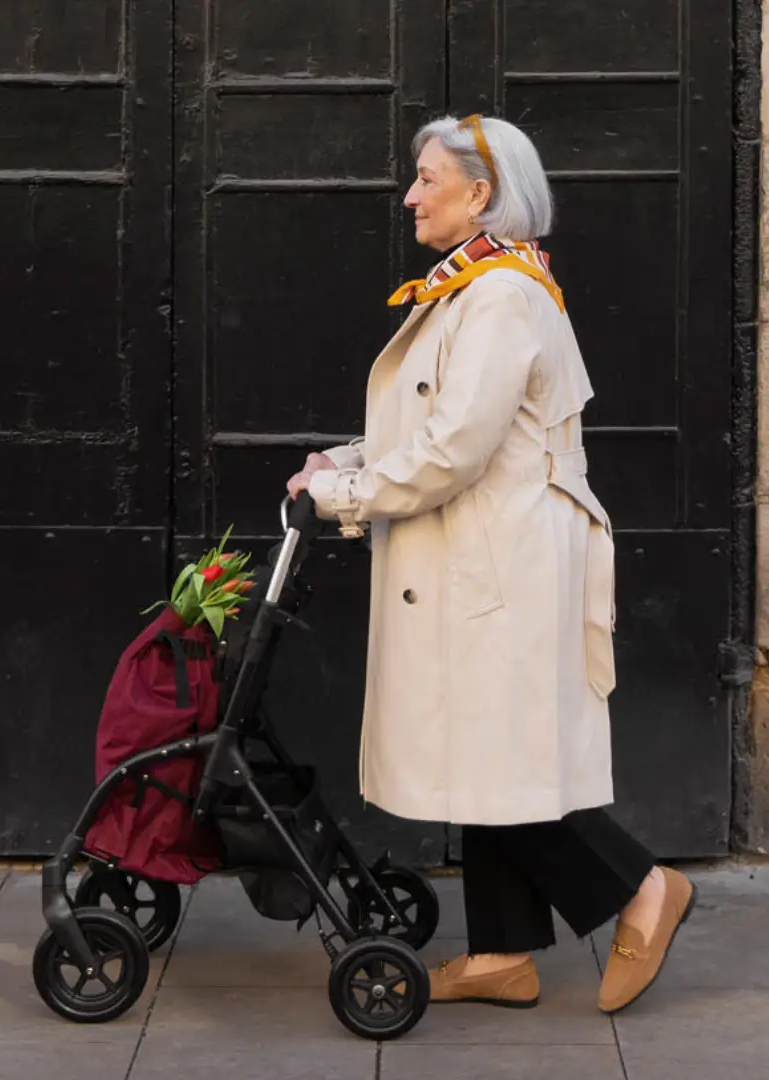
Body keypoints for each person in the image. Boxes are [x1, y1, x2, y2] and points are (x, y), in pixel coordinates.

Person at [287, 114, 695, 1013]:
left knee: (504, 761)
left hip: (500, 563)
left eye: (427, 179)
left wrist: (344, 500)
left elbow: (454, 452)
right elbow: (431, 428)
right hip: (483, 551)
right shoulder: (474, 289)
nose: (410, 196)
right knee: (488, 754)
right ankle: (502, 954)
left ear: (480, 194)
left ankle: (641, 888)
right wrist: (343, 464)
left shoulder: (503, 295)